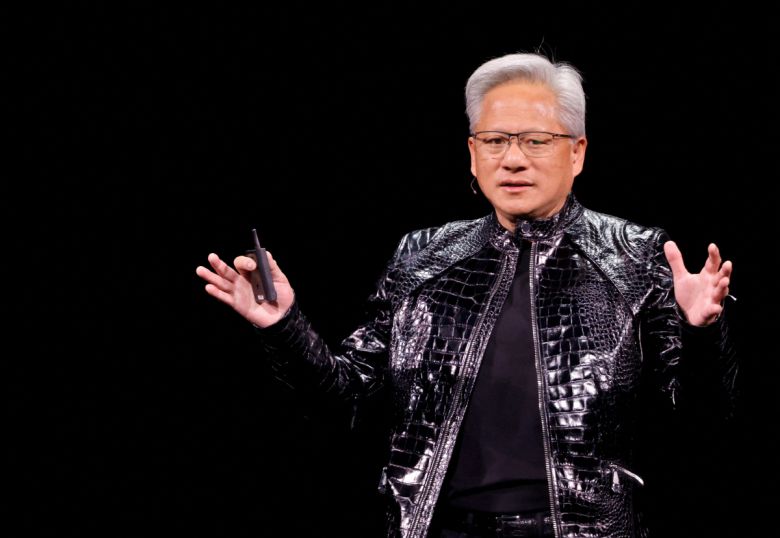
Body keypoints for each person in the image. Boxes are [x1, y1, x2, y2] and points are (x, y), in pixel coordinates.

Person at [195, 52, 737, 538]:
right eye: (495, 141)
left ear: (577, 153)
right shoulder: (422, 255)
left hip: (584, 529)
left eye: (535, 141)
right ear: (473, 154)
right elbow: (347, 402)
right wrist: (284, 324)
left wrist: (703, 332)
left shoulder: (635, 255)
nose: (513, 159)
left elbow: (700, 424)